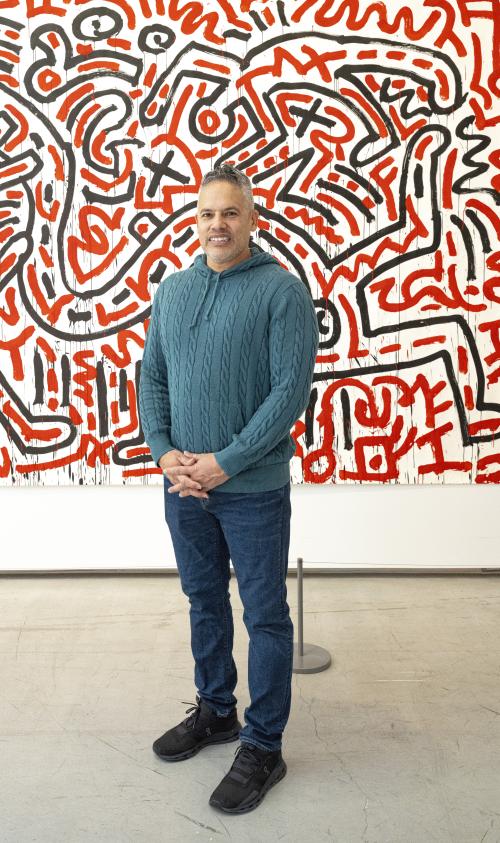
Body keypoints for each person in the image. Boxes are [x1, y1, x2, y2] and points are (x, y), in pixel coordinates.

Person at [138, 163, 319, 814]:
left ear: (252, 220)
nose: (218, 223)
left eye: (231, 213)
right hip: (182, 484)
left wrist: (226, 462)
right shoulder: (173, 290)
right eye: (208, 213)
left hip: (254, 488)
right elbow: (151, 377)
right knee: (203, 599)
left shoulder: (281, 292)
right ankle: (217, 708)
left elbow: (287, 395)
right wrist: (165, 454)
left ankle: (264, 744)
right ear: (197, 219)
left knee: (266, 616)